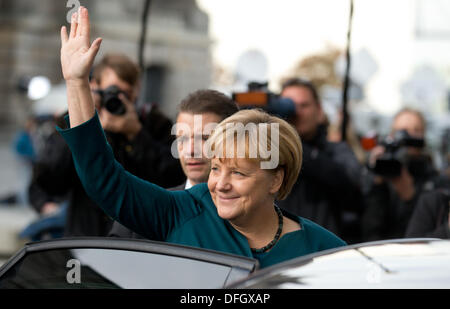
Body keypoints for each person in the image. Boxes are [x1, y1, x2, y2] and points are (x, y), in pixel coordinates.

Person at [57, 6, 346, 268]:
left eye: (239, 173)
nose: (221, 184)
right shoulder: (185, 210)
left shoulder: (324, 252)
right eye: (217, 167)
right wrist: (77, 82)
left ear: (276, 179)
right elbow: (103, 179)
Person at [28, 51, 184, 236]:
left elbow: (174, 177)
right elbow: (49, 179)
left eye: (125, 93)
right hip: (86, 236)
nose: (118, 99)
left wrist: (136, 134)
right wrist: (84, 126)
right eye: (111, 91)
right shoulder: (74, 121)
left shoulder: (154, 123)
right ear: (94, 87)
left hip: (139, 237)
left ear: (137, 90)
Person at [109, 89, 239, 238]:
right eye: (182, 139)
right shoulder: (147, 210)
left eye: (204, 138)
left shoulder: (255, 218)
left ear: (234, 143)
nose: (190, 151)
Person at [277, 77, 364, 243]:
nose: (296, 112)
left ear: (319, 110)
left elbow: (352, 186)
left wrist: (289, 143)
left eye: (304, 105)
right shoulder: (267, 152)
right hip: (277, 249)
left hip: (323, 250)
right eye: (289, 105)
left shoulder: (337, 151)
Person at [362, 108, 444, 241]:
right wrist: (377, 182)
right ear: (392, 136)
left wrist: (410, 198)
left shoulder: (436, 181)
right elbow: (369, 231)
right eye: (402, 131)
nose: (408, 137)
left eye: (416, 130)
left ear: (423, 135)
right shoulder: (378, 173)